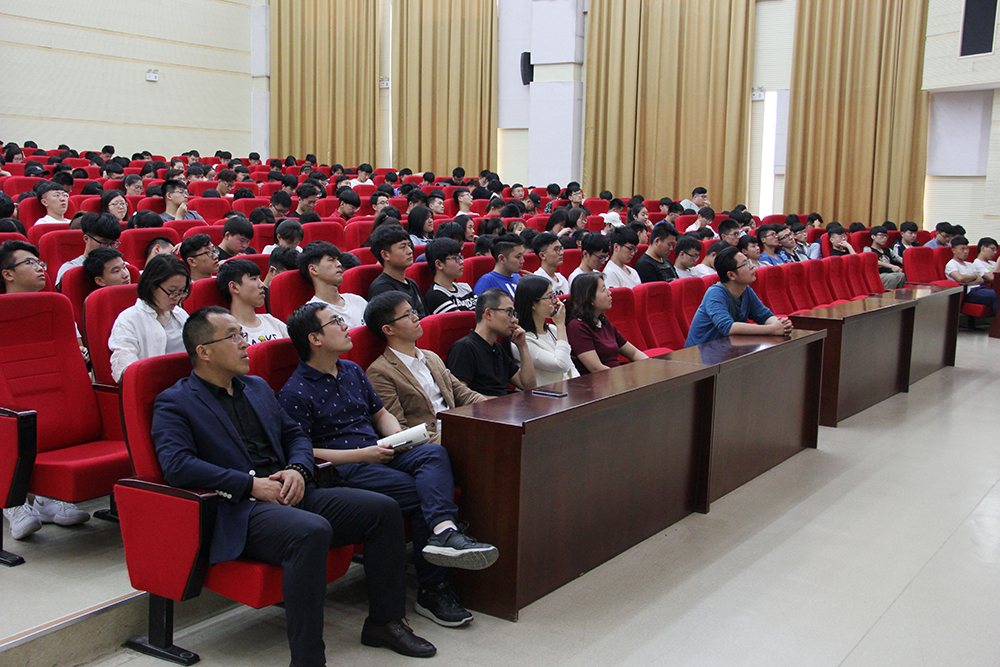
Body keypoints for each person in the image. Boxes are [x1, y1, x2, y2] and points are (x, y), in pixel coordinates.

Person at [154, 307, 435, 663]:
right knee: (310, 531)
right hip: (241, 508)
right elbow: (178, 466)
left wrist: (298, 469)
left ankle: (385, 623)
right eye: (233, 336)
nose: (245, 343)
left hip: (292, 489)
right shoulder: (175, 402)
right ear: (204, 351)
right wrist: (250, 485)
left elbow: (296, 436)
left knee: (382, 510)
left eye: (243, 334)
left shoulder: (257, 388)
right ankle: (308, 658)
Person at [277, 301, 495, 632]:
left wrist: (397, 437)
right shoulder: (295, 391)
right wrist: (362, 454)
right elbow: (302, 449)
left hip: (381, 451)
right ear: (315, 339)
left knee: (434, 455)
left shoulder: (351, 370)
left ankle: (443, 533)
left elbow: (379, 413)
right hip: (347, 467)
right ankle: (433, 589)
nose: (345, 325)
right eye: (335, 322)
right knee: (424, 494)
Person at [364, 292, 488, 444]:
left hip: (456, 431)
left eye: (413, 312)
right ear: (388, 330)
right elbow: (400, 432)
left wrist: (494, 410)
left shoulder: (431, 357)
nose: (416, 318)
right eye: (407, 315)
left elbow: (464, 395)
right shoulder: (380, 372)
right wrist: (453, 441)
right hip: (430, 445)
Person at [685, 246, 793, 347]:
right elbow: (728, 327)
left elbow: (764, 316)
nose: (752, 266)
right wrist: (772, 329)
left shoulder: (745, 290)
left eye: (749, 261)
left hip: (727, 349)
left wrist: (781, 324)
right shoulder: (715, 293)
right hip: (700, 353)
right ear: (731, 275)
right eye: (745, 264)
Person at [108, 253, 191, 382]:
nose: (177, 298)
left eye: (181, 291)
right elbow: (125, 371)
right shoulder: (129, 320)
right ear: (152, 286)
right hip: (154, 386)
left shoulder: (180, 314)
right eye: (171, 291)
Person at [446, 288, 536, 396]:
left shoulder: (497, 349)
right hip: (485, 407)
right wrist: (500, 402)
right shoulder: (464, 348)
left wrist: (522, 346)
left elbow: (528, 387)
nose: (514, 320)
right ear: (488, 314)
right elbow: (460, 397)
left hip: (502, 405)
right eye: (509, 312)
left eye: (514, 314)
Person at [565, 273, 648, 374]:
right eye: (604, 290)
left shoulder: (603, 322)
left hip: (616, 376)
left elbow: (634, 353)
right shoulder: (577, 327)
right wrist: (625, 377)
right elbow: (596, 368)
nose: (609, 293)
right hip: (602, 380)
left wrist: (651, 364)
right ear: (589, 298)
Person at [511, 275, 579, 385]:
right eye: (550, 297)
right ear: (533, 304)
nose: (555, 301)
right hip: (545, 394)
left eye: (554, 295)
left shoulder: (553, 329)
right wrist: (561, 325)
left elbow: (571, 367)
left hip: (569, 390)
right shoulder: (521, 340)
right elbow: (562, 365)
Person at [217, 259, 288, 345]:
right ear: (234, 287)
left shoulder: (271, 321)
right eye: (254, 279)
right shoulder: (228, 332)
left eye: (259, 278)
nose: (262, 285)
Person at [299, 241, 369, 328]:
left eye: (338, 260)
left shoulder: (357, 301)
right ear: (313, 269)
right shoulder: (313, 314)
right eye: (331, 260)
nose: (339, 264)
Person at [55, 212, 123, 285]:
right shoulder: (70, 269)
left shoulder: (122, 266)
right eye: (104, 243)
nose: (109, 248)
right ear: (86, 239)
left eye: (113, 243)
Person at [946, 236, 999, 314]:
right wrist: (974, 277)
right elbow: (960, 278)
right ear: (954, 250)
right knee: (997, 295)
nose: (965, 252)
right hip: (968, 293)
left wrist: (967, 280)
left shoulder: (969, 264)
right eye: (962, 249)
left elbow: (980, 280)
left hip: (980, 289)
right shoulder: (951, 264)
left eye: (967, 248)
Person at [423, 238, 477, 314]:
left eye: (461, 257)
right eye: (456, 258)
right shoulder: (435, 296)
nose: (461, 262)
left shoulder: (465, 287)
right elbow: (462, 319)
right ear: (439, 264)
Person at [473, 233, 524, 297]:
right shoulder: (486, 283)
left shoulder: (518, 277)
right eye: (518, 257)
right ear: (501, 259)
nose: (522, 261)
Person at [531, 232, 570, 296]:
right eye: (556, 249)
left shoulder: (562, 278)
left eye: (561, 248)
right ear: (542, 255)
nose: (561, 253)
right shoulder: (537, 280)